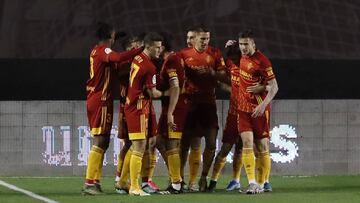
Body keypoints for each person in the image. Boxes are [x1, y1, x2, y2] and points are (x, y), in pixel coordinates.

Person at [82, 22, 142, 195]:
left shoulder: (100, 51)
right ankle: (89, 183)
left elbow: (117, 66)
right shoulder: (103, 50)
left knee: (104, 141)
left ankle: (95, 181)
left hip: (103, 100)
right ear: (110, 36)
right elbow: (117, 58)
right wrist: (140, 50)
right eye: (114, 35)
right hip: (99, 100)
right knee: (100, 140)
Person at [207, 42, 266, 192]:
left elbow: (257, 55)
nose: (231, 60)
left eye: (234, 58)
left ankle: (244, 181)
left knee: (244, 147)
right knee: (226, 148)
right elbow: (232, 85)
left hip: (248, 112)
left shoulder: (251, 68)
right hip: (234, 114)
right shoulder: (231, 65)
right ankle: (212, 182)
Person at [179, 27, 228, 192]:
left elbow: (224, 75)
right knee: (185, 145)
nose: (205, 42)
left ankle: (203, 177)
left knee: (212, 144)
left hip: (208, 104)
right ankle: (179, 180)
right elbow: (176, 75)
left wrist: (212, 72)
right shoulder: (184, 55)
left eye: (207, 39)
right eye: (202, 39)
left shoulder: (215, 53)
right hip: (190, 104)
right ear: (194, 39)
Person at [236, 30, 278, 194]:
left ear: (253, 44)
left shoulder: (263, 61)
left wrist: (263, 105)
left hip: (258, 109)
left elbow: (275, 87)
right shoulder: (240, 55)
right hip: (243, 108)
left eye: (246, 44)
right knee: (247, 143)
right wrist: (232, 44)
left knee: (262, 146)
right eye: (241, 44)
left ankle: (262, 183)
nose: (243, 47)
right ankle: (252, 183)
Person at [124, 32, 165, 196]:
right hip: (138, 108)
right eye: (156, 47)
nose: (159, 50)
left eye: (161, 46)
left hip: (136, 105)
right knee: (139, 147)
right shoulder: (149, 66)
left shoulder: (138, 58)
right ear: (148, 47)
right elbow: (154, 93)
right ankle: (134, 187)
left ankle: (132, 183)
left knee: (142, 145)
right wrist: (168, 92)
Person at [156, 33, 189, 194]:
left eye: (157, 46)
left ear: (162, 47)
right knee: (160, 141)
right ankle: (177, 178)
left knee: (171, 144)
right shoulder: (175, 58)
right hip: (171, 107)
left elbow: (175, 87)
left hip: (174, 108)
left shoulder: (171, 60)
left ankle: (176, 183)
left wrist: (170, 112)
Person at [114, 35, 144, 194]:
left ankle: (124, 178)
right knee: (131, 144)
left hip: (135, 107)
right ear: (126, 50)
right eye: (132, 48)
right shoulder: (124, 63)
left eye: (138, 47)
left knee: (134, 144)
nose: (135, 51)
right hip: (127, 107)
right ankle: (121, 178)